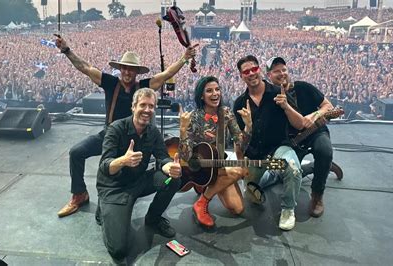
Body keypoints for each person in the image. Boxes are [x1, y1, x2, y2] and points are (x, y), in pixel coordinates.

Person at [54, 35, 196, 218]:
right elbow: (85, 68)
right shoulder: (110, 83)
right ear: (120, 68)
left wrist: (184, 58)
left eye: (131, 69)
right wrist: (66, 50)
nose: (127, 72)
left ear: (137, 72)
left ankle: (129, 196)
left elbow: (167, 74)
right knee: (76, 152)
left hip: (136, 138)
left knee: (131, 169)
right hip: (110, 134)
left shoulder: (144, 86)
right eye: (125, 68)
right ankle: (79, 194)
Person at [97, 88, 182, 264]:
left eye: (151, 106)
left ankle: (153, 218)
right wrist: (123, 161)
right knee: (119, 250)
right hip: (115, 188)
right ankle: (104, 208)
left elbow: (162, 157)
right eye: (143, 105)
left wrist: (169, 167)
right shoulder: (116, 129)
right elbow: (105, 167)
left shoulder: (153, 131)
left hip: (139, 181)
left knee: (173, 179)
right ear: (134, 107)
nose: (147, 110)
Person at [233, 55, 305, 231]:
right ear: (241, 76)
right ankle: (274, 174)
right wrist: (248, 127)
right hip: (255, 156)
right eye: (246, 71)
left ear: (259, 70)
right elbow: (239, 143)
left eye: (254, 69)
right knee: (251, 198)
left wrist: (286, 107)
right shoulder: (240, 103)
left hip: (278, 149)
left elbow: (300, 124)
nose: (251, 74)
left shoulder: (279, 92)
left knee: (293, 168)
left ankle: (288, 209)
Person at [265, 56, 340, 217]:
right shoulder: (269, 96)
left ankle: (317, 196)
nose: (282, 73)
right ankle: (320, 166)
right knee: (282, 173)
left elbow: (328, 106)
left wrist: (315, 115)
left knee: (324, 150)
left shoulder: (303, 87)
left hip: (315, 132)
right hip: (291, 141)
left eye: (284, 70)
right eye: (276, 71)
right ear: (268, 75)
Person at [178, 76, 252, 228]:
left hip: (217, 166)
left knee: (238, 209)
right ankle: (202, 202)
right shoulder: (193, 117)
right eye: (209, 91)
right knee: (238, 170)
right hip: (198, 169)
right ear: (201, 95)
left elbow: (240, 143)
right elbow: (185, 156)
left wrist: (248, 127)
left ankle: (209, 187)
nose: (215, 93)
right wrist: (183, 130)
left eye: (217, 89)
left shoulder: (226, 113)